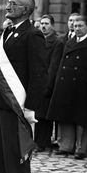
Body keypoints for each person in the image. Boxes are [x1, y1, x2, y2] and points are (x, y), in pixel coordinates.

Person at [0, 0, 47, 173]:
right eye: (8, 2)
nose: (8, 6)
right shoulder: (7, 33)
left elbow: (39, 74)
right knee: (0, 153)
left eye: (14, 4)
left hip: (16, 104)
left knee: (16, 154)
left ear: (26, 10)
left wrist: (30, 106)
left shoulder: (32, 35)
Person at [47, 14, 87, 159]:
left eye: (81, 26)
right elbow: (61, 64)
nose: (77, 29)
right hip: (66, 83)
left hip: (82, 84)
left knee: (80, 117)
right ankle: (65, 146)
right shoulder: (69, 42)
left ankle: (80, 148)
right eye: (75, 26)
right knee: (65, 115)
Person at [35, 14, 63, 152]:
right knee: (37, 114)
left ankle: (43, 141)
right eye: (42, 24)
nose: (43, 26)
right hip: (37, 81)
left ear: (52, 25)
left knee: (45, 115)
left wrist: (48, 85)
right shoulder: (38, 40)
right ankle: (38, 140)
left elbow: (53, 66)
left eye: (46, 24)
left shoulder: (57, 42)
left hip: (47, 82)